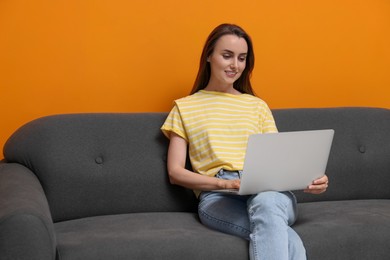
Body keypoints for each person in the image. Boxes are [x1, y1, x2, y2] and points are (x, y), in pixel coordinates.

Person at [161, 23, 328, 260]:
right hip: (218, 196)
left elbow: (279, 161)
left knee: (267, 203)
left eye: (242, 58)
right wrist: (225, 185)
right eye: (227, 56)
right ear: (209, 56)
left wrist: (311, 179)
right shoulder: (185, 107)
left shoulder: (257, 106)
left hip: (268, 190)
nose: (235, 65)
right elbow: (175, 173)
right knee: (285, 237)